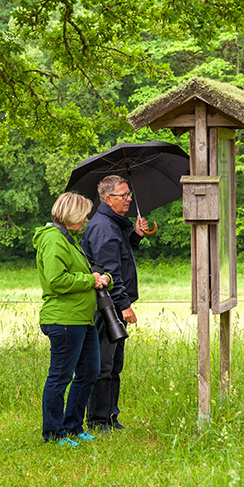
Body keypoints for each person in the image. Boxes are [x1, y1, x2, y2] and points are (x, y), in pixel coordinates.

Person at [32, 192, 111, 446]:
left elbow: (79, 271)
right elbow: (56, 280)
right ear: (71, 214)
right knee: (60, 376)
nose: (87, 220)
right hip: (64, 319)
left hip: (82, 318)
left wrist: (100, 275)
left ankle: (74, 426)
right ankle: (54, 434)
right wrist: (91, 280)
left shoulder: (68, 239)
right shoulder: (54, 240)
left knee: (89, 372)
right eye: (84, 215)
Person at [82, 175, 151, 432]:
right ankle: (98, 421)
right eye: (124, 195)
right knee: (103, 365)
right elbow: (110, 272)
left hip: (113, 305)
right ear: (109, 199)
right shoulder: (103, 228)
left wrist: (135, 235)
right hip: (106, 307)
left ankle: (110, 416)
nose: (129, 199)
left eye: (129, 194)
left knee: (114, 365)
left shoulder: (114, 225)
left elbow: (120, 256)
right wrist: (124, 305)